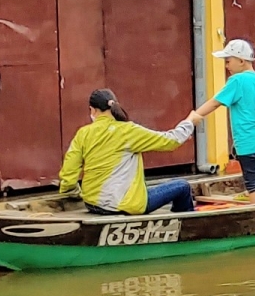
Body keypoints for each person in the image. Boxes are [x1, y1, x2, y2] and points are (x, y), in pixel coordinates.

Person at [59, 88, 201, 214]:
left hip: (92, 204)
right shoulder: (127, 131)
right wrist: (189, 123)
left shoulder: (83, 133)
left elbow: (69, 173)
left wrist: (73, 192)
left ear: (93, 110)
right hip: (122, 205)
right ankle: (186, 230)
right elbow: (171, 141)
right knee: (182, 187)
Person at [192, 39, 255, 194]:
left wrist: (195, 115)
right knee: (254, 176)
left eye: (228, 61)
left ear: (242, 61)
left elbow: (215, 102)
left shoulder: (236, 80)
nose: (226, 66)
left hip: (247, 140)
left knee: (253, 185)